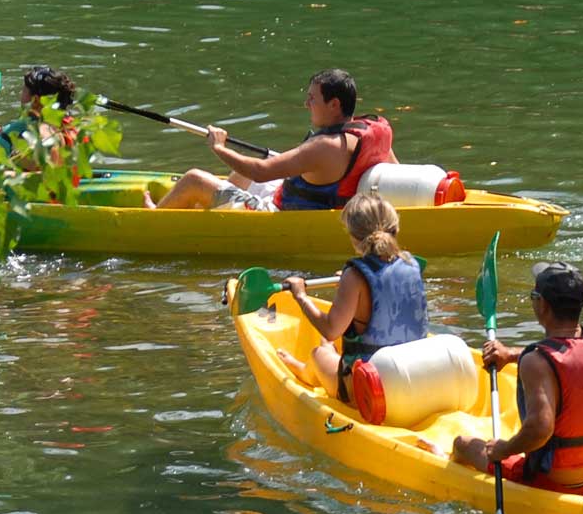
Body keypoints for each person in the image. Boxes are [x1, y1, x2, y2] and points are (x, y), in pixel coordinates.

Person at [450, 263, 583, 496]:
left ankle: (443, 461)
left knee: (462, 444)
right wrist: (512, 354)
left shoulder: (535, 362)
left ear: (542, 305)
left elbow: (540, 430)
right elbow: (569, 354)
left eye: (534, 295)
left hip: (559, 482)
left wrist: (503, 449)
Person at [150, 68, 396, 212]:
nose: (306, 104)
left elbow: (259, 172)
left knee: (194, 178)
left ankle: (155, 221)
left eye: (312, 99)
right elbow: (395, 170)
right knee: (250, 163)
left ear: (334, 105)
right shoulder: (376, 130)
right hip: (308, 198)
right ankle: (211, 209)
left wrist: (218, 147)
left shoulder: (324, 147)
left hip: (277, 212)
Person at [275, 193, 428, 404]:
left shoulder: (355, 276)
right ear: (395, 228)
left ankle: (305, 370)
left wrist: (300, 295)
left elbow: (331, 329)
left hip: (369, 391)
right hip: (418, 376)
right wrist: (350, 284)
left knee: (320, 349)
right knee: (330, 343)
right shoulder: (412, 263)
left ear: (354, 237)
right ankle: (327, 360)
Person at [0, 66, 81, 174]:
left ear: (35, 100)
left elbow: (45, 172)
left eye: (24, 91)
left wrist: (4, 141)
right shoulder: (68, 127)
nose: (20, 95)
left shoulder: (40, 131)